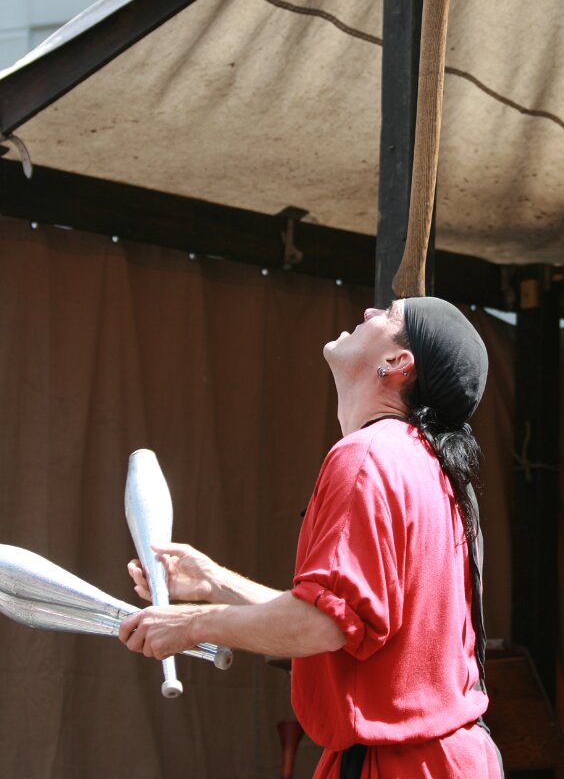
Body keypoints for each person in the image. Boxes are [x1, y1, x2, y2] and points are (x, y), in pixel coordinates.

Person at [120, 296, 503, 778]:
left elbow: (324, 626)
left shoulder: (368, 456)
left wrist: (190, 624)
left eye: (388, 315)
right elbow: (345, 621)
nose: (368, 313)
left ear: (397, 363)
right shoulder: (430, 468)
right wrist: (212, 581)